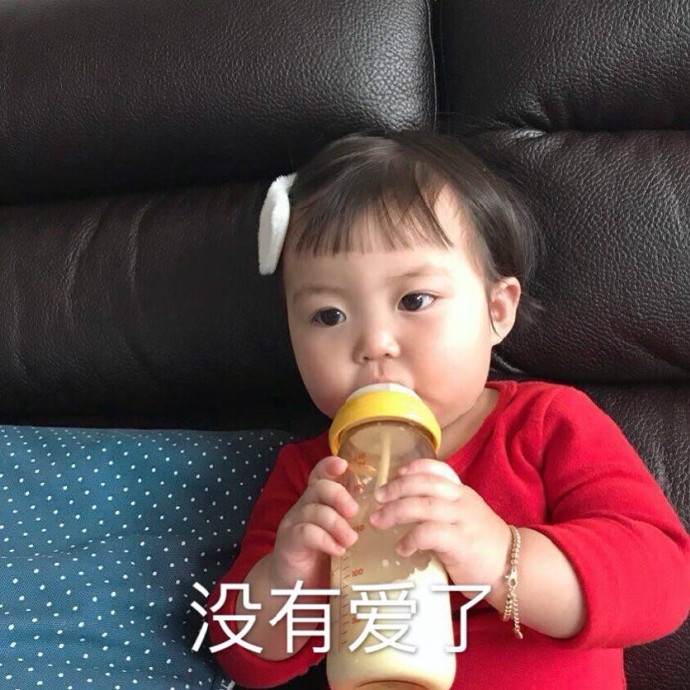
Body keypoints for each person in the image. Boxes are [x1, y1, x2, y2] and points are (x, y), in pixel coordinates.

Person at [205, 130, 690, 689]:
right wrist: (286, 577)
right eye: (329, 316)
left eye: (414, 300)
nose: (374, 344)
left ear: (497, 311)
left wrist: (501, 556)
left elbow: (662, 582)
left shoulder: (547, 424)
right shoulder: (313, 479)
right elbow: (239, 654)